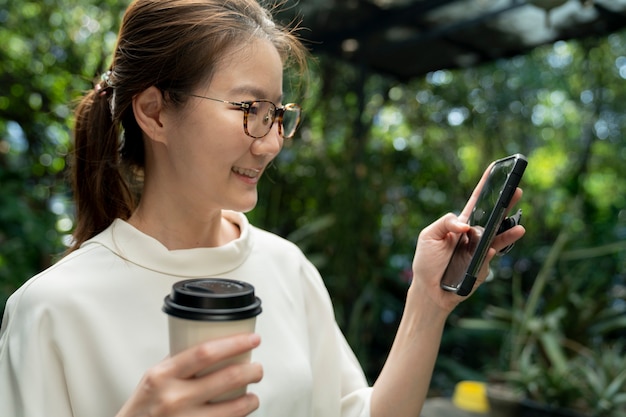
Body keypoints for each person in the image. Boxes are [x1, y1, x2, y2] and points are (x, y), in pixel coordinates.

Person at [0, 0, 525, 416]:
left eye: (278, 114)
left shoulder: (285, 266)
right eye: (250, 110)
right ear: (154, 112)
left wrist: (428, 304)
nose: (271, 142)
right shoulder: (50, 310)